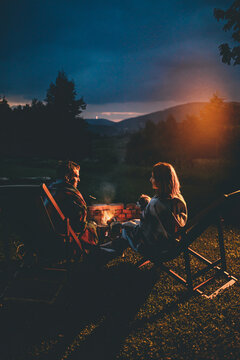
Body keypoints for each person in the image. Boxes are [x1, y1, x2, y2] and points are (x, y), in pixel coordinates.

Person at [100, 162, 187, 262]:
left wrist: (123, 225)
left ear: (160, 181)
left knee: (125, 231)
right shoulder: (179, 199)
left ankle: (100, 253)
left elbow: (143, 230)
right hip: (172, 243)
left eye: (153, 177)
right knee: (130, 224)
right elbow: (158, 221)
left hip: (156, 248)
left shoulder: (156, 204)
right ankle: (103, 250)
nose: (150, 180)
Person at [46, 160, 98, 258]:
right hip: (64, 245)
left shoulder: (48, 192)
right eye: (76, 176)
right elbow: (80, 227)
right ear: (67, 177)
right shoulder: (72, 196)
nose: (78, 180)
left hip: (43, 241)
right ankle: (92, 256)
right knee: (92, 226)